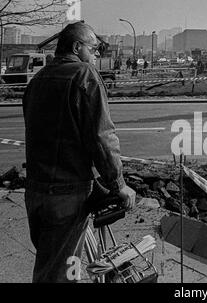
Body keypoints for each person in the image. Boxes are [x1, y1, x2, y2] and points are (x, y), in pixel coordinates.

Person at [22, 21, 136, 283]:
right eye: (94, 49)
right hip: (66, 196)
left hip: (37, 193)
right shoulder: (84, 74)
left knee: (53, 263)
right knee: (59, 274)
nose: (96, 55)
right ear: (77, 47)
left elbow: (53, 137)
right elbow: (102, 137)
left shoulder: (39, 79)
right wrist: (118, 184)